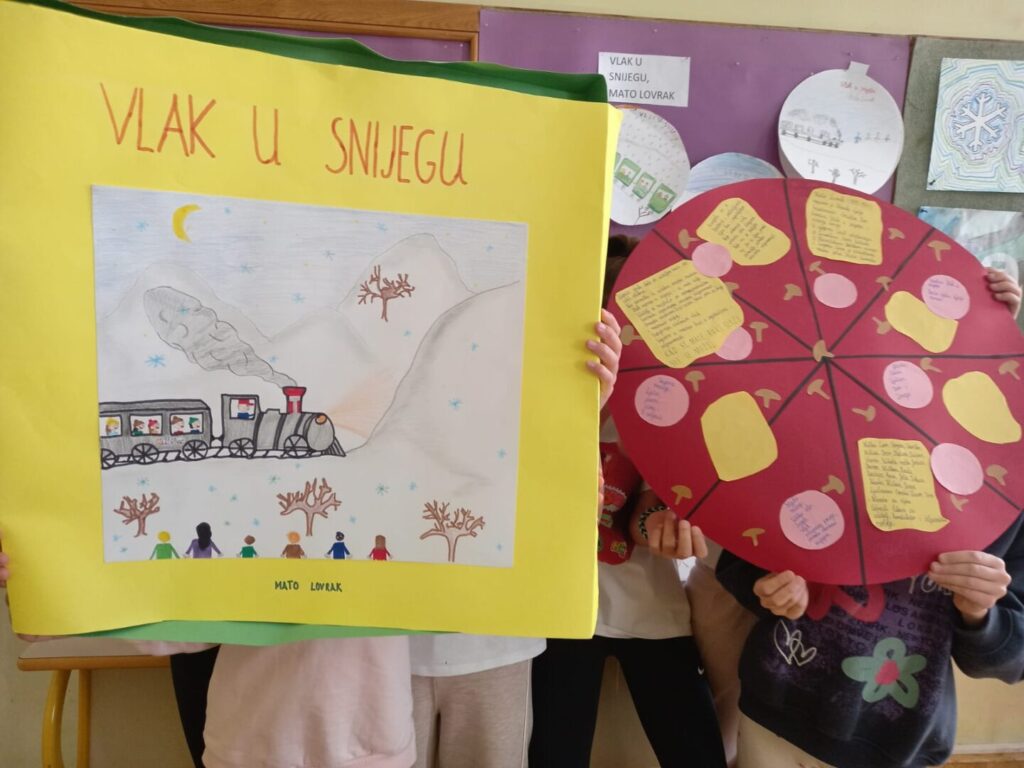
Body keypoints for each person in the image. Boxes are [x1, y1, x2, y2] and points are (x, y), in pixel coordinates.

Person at [715, 268, 1024, 768]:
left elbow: (1011, 655)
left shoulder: (1007, 489)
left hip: (897, 740)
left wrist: (980, 615)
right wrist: (766, 586)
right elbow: (739, 558)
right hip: (775, 707)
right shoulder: (815, 437)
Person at [530, 236, 725, 768]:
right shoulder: (545, 398)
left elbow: (645, 514)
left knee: (696, 750)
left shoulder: (665, 405)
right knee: (555, 752)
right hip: (561, 612)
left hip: (650, 610)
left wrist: (658, 524)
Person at [409, 301, 623, 768]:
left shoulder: (511, 375)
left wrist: (582, 403)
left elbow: (572, 506)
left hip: (496, 640)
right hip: (376, 645)